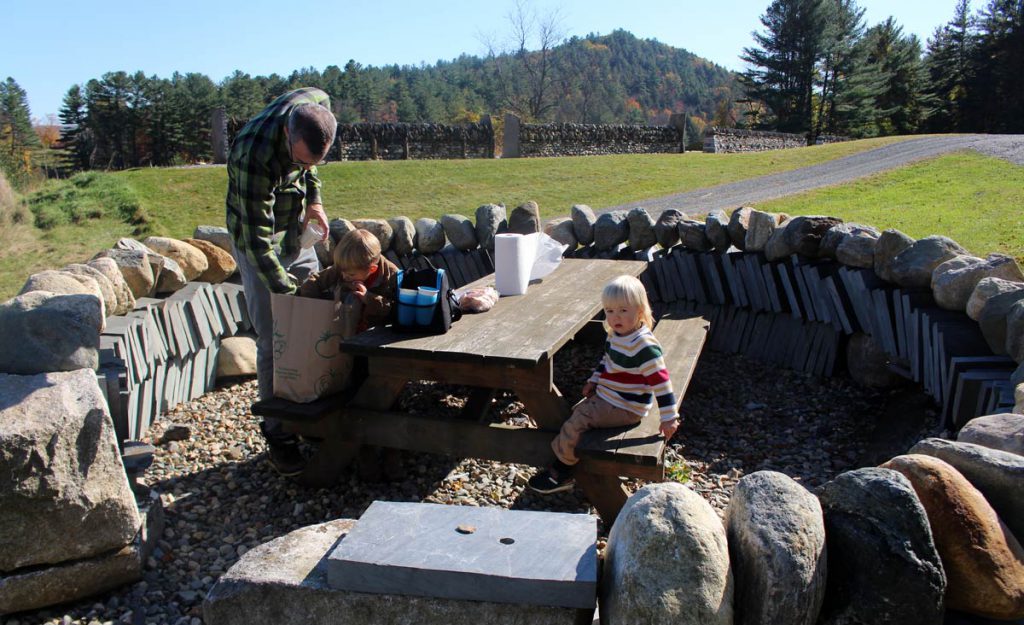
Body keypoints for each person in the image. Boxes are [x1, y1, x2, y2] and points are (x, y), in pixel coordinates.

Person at [225, 87, 338, 477]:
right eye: (300, 161)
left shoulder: (317, 106)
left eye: (314, 163)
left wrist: (315, 200)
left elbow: (312, 169)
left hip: (294, 228)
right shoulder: (252, 153)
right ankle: (278, 432)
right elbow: (257, 243)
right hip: (257, 240)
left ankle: (308, 416)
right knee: (276, 335)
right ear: (288, 135)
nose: (307, 169)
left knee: (316, 319)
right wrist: (287, 295)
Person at [528, 275, 680, 494]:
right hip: (611, 396)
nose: (615, 317)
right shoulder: (617, 335)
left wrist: (669, 417)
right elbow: (607, 361)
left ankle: (561, 472)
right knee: (576, 411)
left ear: (639, 310)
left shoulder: (643, 345)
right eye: (609, 311)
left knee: (579, 420)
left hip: (627, 406)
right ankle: (572, 454)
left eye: (623, 310)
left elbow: (662, 383)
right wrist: (594, 380)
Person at [299, 228, 399, 331]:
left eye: (351, 275)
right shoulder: (345, 267)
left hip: (375, 333)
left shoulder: (391, 276)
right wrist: (314, 307)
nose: (344, 276)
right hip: (342, 328)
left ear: (372, 269)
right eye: (341, 271)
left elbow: (394, 310)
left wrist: (368, 298)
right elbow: (314, 282)